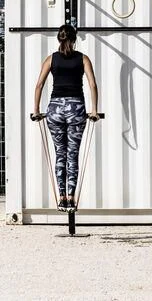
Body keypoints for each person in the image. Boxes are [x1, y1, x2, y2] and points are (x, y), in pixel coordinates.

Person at [32, 24, 99, 212]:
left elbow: (39, 85)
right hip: (76, 107)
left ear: (59, 39)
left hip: (54, 108)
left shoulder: (51, 59)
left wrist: (36, 110)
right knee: (73, 154)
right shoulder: (83, 59)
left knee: (60, 153)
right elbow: (92, 85)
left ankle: (61, 198)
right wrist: (94, 110)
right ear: (74, 39)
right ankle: (71, 198)